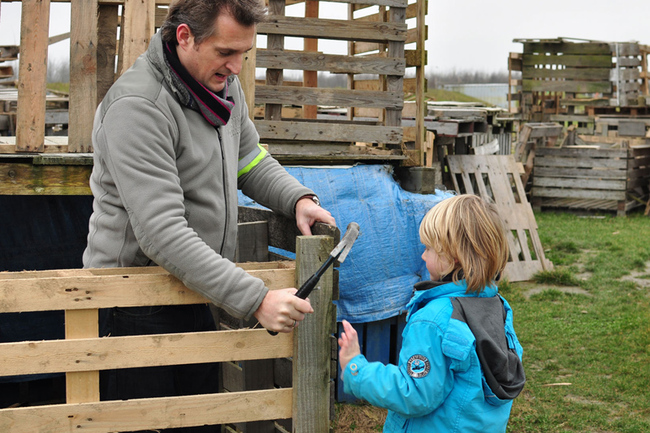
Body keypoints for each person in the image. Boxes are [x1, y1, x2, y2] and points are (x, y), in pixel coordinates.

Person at [82, 0, 335, 425]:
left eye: (244, 54)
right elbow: (162, 233)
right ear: (184, 37)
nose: (236, 67)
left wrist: (296, 199)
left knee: (198, 420)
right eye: (225, 53)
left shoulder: (220, 87)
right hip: (132, 306)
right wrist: (256, 298)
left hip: (195, 290)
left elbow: (249, 158)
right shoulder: (138, 106)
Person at [338, 194, 525, 433]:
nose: (423, 256)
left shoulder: (433, 321)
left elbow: (413, 394)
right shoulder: (497, 305)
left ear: (453, 258)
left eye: (428, 248)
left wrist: (356, 368)